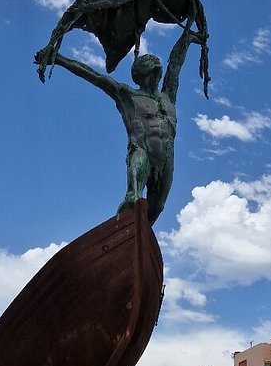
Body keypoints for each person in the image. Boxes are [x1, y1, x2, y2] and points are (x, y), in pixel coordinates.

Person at [35, 22, 204, 225]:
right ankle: (126, 227)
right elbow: (95, 76)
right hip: (142, 150)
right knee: (134, 197)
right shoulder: (127, 95)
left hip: (166, 156)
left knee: (157, 206)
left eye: (157, 70)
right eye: (152, 69)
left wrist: (188, 37)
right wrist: (59, 59)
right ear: (142, 74)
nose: (156, 73)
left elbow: (175, 64)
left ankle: (137, 235)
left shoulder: (168, 96)